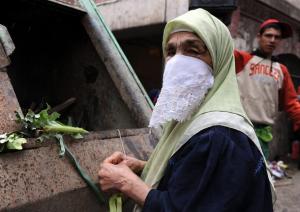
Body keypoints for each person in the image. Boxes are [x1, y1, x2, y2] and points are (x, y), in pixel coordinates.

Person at [98, 9, 274, 211]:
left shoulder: (218, 135)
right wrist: (145, 166)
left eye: (193, 51)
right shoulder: (195, 118)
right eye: (171, 51)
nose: (178, 62)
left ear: (219, 59)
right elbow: (198, 177)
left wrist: (126, 183)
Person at [234, 19, 300, 159]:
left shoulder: (282, 70)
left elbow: (291, 103)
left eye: (277, 37)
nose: (272, 40)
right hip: (238, 129)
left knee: (256, 176)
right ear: (259, 36)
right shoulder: (242, 59)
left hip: (263, 134)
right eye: (268, 35)